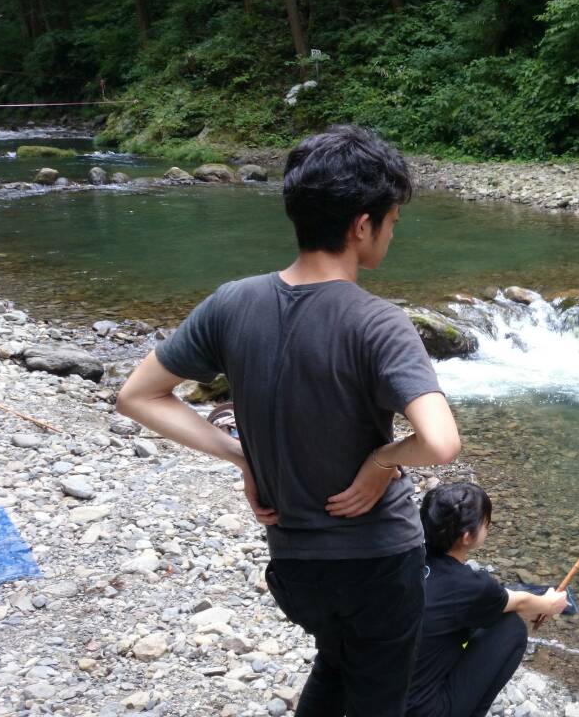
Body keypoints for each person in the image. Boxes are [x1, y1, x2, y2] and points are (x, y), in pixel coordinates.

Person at [116, 125, 461, 717]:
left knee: (336, 662)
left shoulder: (232, 302)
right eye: (392, 221)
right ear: (362, 225)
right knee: (378, 698)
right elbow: (441, 442)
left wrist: (242, 456)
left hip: (296, 569)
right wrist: (382, 461)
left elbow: (137, 395)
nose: (392, 232)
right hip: (378, 565)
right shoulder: (379, 322)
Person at [408, 483, 568, 717]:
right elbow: (520, 602)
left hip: (377, 701)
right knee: (511, 627)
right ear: (466, 537)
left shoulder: (408, 559)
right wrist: (550, 604)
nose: (488, 526)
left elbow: (504, 600)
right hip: (424, 711)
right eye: (485, 523)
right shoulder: (470, 586)